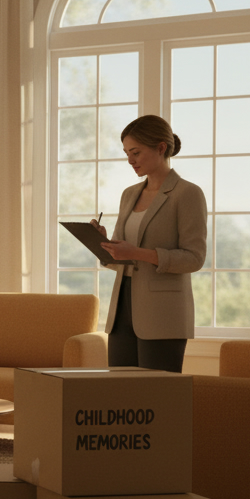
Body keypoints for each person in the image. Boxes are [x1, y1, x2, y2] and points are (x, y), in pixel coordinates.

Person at [91, 114, 206, 373]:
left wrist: (139, 253)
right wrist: (103, 243)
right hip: (122, 311)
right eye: (126, 153)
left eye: (136, 152)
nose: (130, 160)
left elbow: (194, 258)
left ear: (161, 148)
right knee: (121, 396)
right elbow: (122, 260)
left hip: (163, 315)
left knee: (156, 399)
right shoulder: (129, 194)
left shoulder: (187, 194)